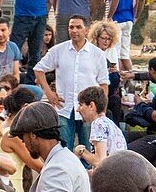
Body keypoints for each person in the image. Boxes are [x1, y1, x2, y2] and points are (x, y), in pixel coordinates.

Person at [33, 15, 109, 151]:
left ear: (86, 30)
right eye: (71, 27)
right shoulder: (58, 50)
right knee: (63, 149)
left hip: (89, 109)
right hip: (64, 107)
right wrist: (49, 93)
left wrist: (101, 110)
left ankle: (88, 172)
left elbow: (103, 84)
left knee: (89, 148)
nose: (74, 30)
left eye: (78, 27)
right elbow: (39, 69)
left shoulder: (97, 54)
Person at [74, 85, 127, 192]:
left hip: (110, 186)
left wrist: (81, 151)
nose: (78, 110)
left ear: (91, 105)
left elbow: (100, 160)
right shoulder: (111, 124)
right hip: (121, 183)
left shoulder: (98, 124)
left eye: (81, 105)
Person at [88, 19, 122, 123]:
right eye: (103, 38)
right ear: (97, 38)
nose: (106, 41)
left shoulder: (111, 52)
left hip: (109, 90)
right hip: (94, 89)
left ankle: (116, 131)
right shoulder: (90, 52)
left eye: (108, 39)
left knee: (116, 101)